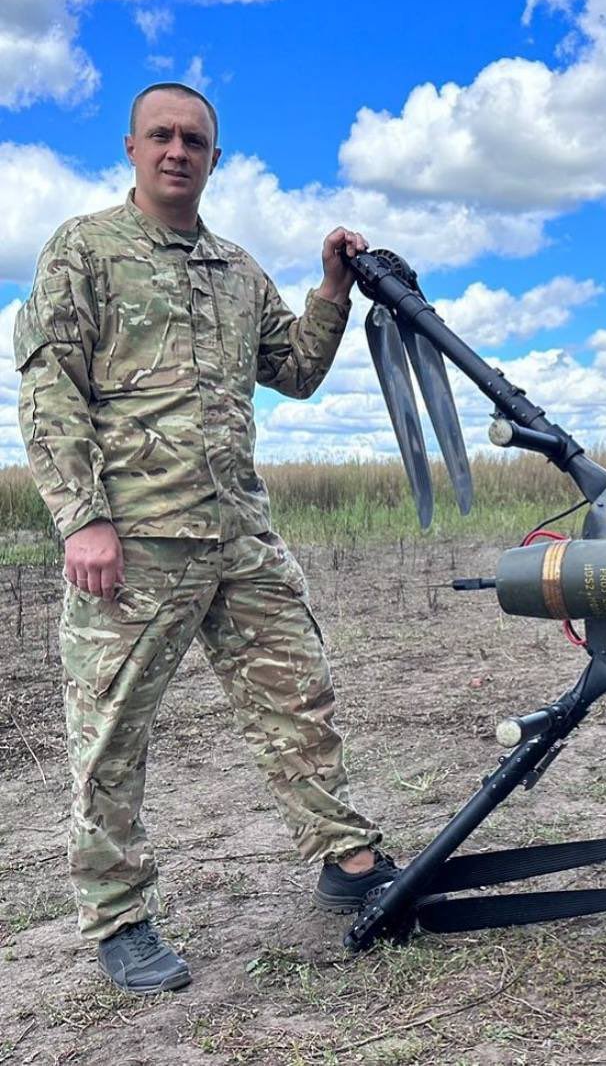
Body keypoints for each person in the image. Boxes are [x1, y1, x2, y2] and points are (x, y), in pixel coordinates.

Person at [13, 83, 398, 994]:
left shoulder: (236, 269)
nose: (177, 150)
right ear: (133, 148)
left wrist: (333, 290)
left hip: (238, 533)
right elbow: (50, 389)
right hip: (135, 542)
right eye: (161, 136)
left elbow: (295, 371)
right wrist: (85, 518)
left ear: (214, 159)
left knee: (298, 695)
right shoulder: (84, 250)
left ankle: (344, 861)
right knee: (110, 734)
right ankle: (119, 917)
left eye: (194, 139)